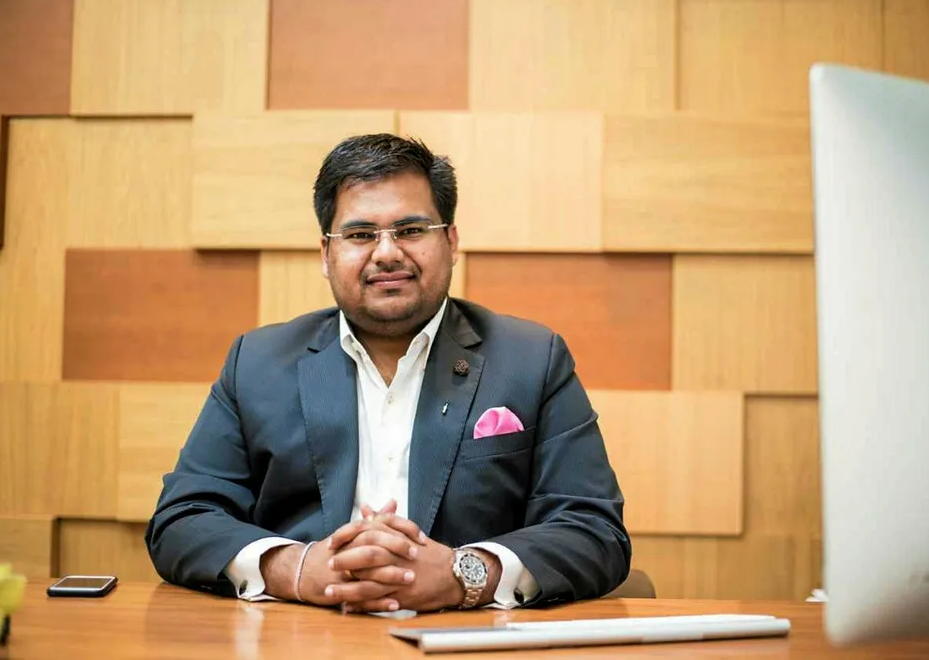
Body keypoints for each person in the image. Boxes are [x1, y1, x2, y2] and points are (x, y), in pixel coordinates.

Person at [145, 134, 631, 613]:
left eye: (411, 230)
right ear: (326, 253)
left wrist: (463, 574)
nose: (387, 253)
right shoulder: (257, 363)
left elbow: (594, 531)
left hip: (463, 639)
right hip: (300, 634)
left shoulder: (530, 359)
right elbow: (183, 518)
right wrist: (297, 569)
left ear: (451, 241)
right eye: (360, 235)